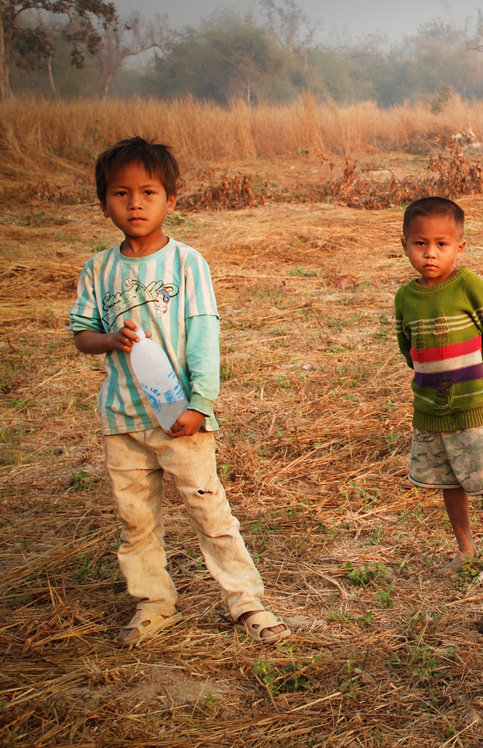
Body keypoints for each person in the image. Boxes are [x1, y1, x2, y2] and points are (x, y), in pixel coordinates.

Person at [68, 136, 290, 646]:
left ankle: (246, 602)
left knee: (210, 512)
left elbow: (204, 336)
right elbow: (82, 334)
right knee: (136, 519)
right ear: (105, 203)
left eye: (148, 192)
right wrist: (109, 338)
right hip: (122, 420)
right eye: (121, 193)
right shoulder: (99, 270)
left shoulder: (187, 263)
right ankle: (153, 603)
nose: (135, 203)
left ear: (171, 199)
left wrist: (199, 405)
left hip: (178, 417)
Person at [394, 197, 483, 579]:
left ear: (460, 247)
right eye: (420, 244)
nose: (430, 254)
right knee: (448, 482)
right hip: (429, 409)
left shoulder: (469, 285)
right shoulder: (406, 297)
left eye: (442, 244)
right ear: (405, 244)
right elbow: (408, 346)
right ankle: (466, 548)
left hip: (471, 404)